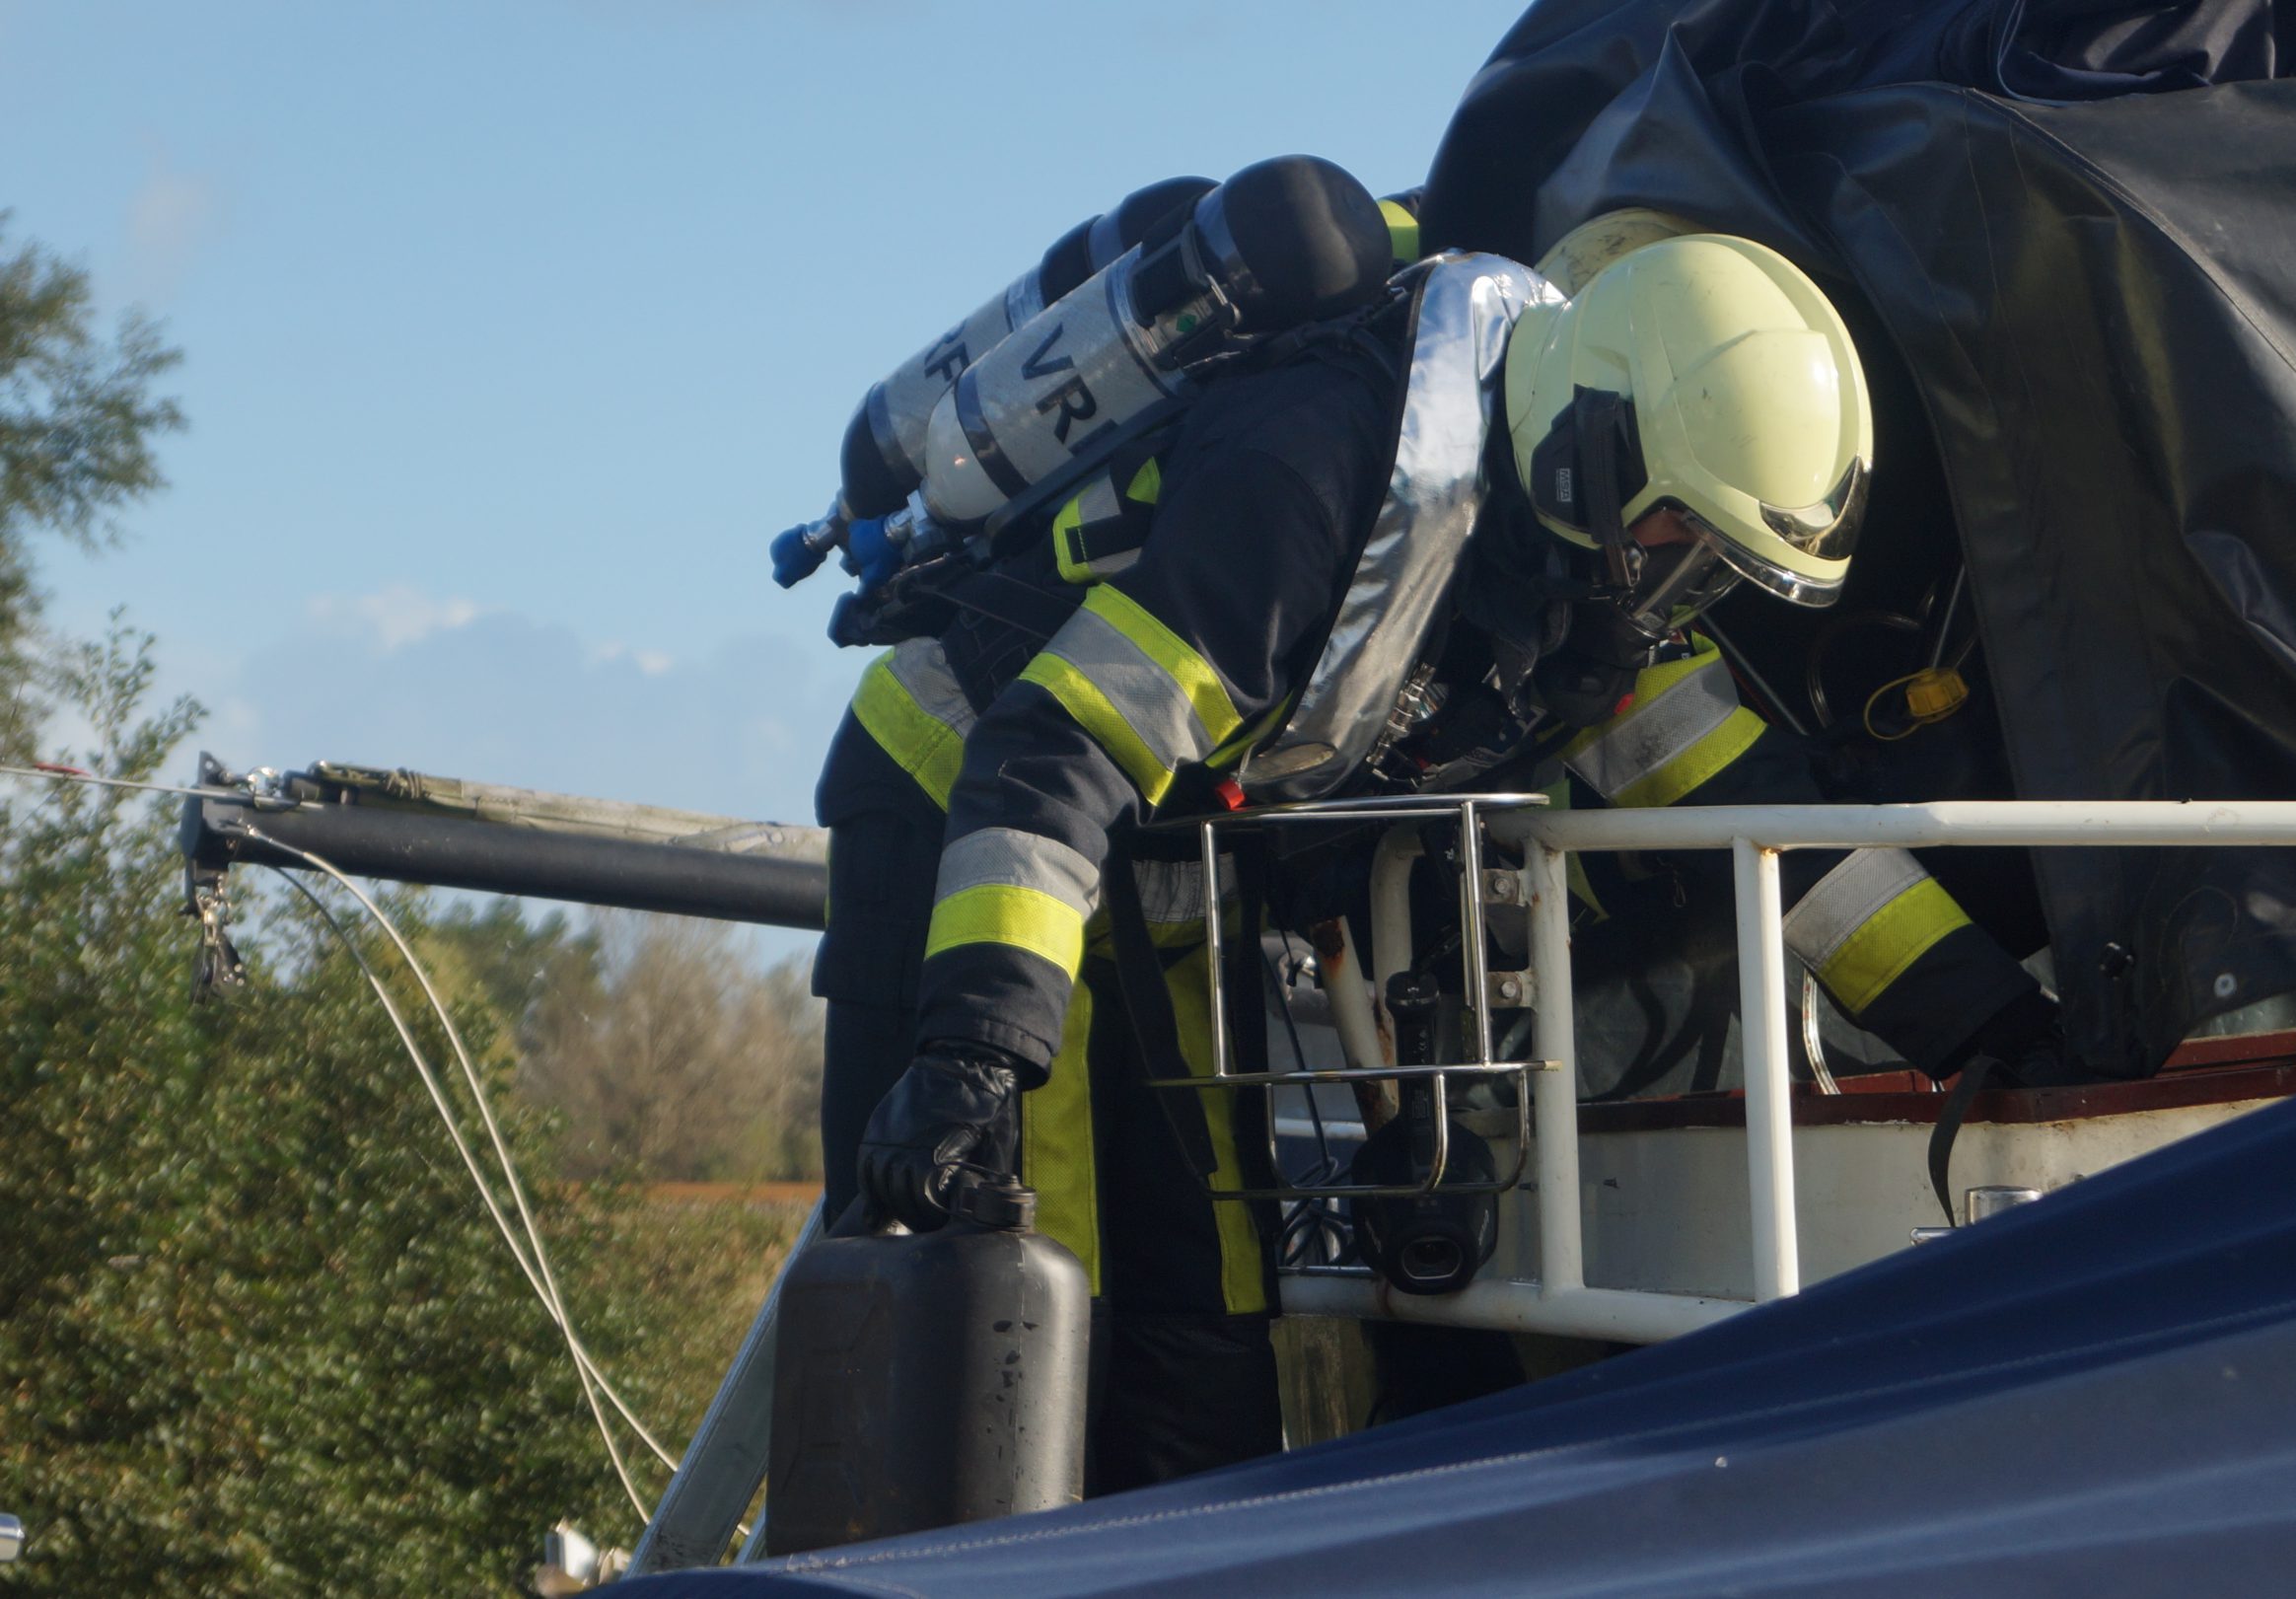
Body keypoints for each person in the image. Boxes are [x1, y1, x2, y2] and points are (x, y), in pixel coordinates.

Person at [810, 210, 2058, 1490]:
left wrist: (2003, 1031)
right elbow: (1055, 747)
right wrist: (974, 1050)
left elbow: (1767, 825)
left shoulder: (1588, 574)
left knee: (1203, 1321)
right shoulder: (1309, 477)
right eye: (1682, 546)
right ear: (1593, 451)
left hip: (1163, 859)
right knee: (1019, 1323)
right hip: (965, 821)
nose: (1682, 595)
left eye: (1713, 572)